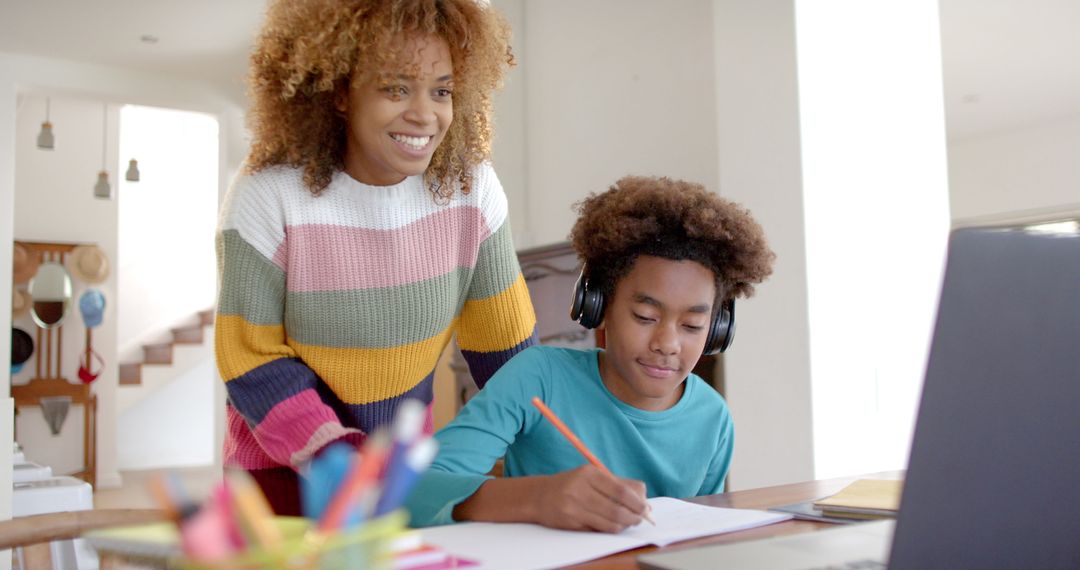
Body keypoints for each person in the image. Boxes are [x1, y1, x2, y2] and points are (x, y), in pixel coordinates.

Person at [215, 0, 537, 515]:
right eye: (396, 88)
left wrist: (557, 448)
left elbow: (509, 357)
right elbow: (251, 359)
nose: (424, 115)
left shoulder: (471, 189)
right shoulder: (268, 195)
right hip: (281, 484)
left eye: (442, 91)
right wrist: (342, 461)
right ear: (341, 90)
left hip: (400, 475)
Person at [405, 175, 775, 532]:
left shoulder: (713, 419)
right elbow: (412, 491)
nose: (667, 343)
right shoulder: (538, 378)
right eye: (645, 316)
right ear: (598, 306)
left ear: (718, 328)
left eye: (692, 325)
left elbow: (700, 536)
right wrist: (538, 498)